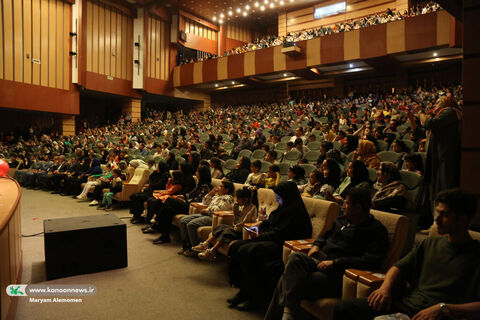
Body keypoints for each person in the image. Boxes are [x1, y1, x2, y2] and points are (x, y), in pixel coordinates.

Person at [334, 188, 480, 320]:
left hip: (438, 315)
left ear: (462, 219)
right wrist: (385, 287)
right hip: (406, 304)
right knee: (344, 308)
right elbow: (398, 267)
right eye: (437, 213)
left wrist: (444, 308)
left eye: (444, 215)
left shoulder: (475, 255)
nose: (436, 219)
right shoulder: (429, 244)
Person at [265, 188, 389, 320]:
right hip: (320, 260)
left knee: (286, 279)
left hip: (339, 273)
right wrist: (316, 245)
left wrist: (336, 263)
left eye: (347, 203)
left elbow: (371, 260)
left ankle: (286, 316)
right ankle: (288, 315)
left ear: (358, 208)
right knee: (295, 257)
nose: (343, 206)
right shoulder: (341, 220)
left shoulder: (375, 230)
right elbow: (324, 236)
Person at [227, 182, 313, 311]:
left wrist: (259, 237)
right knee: (236, 246)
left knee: (247, 251)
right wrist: (261, 223)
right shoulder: (283, 207)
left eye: (279, 197)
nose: (277, 199)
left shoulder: (295, 212)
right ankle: (243, 290)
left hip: (283, 245)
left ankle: (254, 298)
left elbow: (280, 233)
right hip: (271, 239)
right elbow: (272, 221)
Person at [409, 96, 461, 205]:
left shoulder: (450, 112)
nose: (434, 105)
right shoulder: (440, 117)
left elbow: (429, 123)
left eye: (438, 102)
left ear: (446, 103)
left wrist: (420, 111)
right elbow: (420, 132)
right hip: (435, 158)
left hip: (445, 158)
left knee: (444, 191)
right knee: (435, 192)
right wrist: (411, 118)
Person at [150, 165, 213, 244]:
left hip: (192, 206)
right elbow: (190, 194)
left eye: (197, 171)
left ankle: (156, 223)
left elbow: (200, 200)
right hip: (188, 202)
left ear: (201, 174)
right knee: (168, 210)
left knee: (169, 200)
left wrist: (185, 200)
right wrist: (183, 196)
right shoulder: (199, 183)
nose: (196, 172)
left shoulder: (205, 186)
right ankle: (164, 235)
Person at [192, 187, 258, 261]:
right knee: (220, 227)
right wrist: (235, 209)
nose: (237, 200)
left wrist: (235, 226)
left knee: (226, 232)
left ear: (246, 199)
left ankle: (212, 251)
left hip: (242, 231)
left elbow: (244, 222)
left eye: (239, 199)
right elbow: (236, 220)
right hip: (236, 228)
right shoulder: (241, 207)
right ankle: (205, 244)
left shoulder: (252, 208)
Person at [178, 180, 235, 256]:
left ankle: (194, 249)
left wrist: (207, 210)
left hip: (214, 217)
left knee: (191, 224)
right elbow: (204, 202)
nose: (218, 188)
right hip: (206, 214)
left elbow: (220, 209)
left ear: (227, 189)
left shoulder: (228, 198)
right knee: (183, 220)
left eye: (221, 186)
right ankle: (186, 246)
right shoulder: (217, 196)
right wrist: (210, 193)